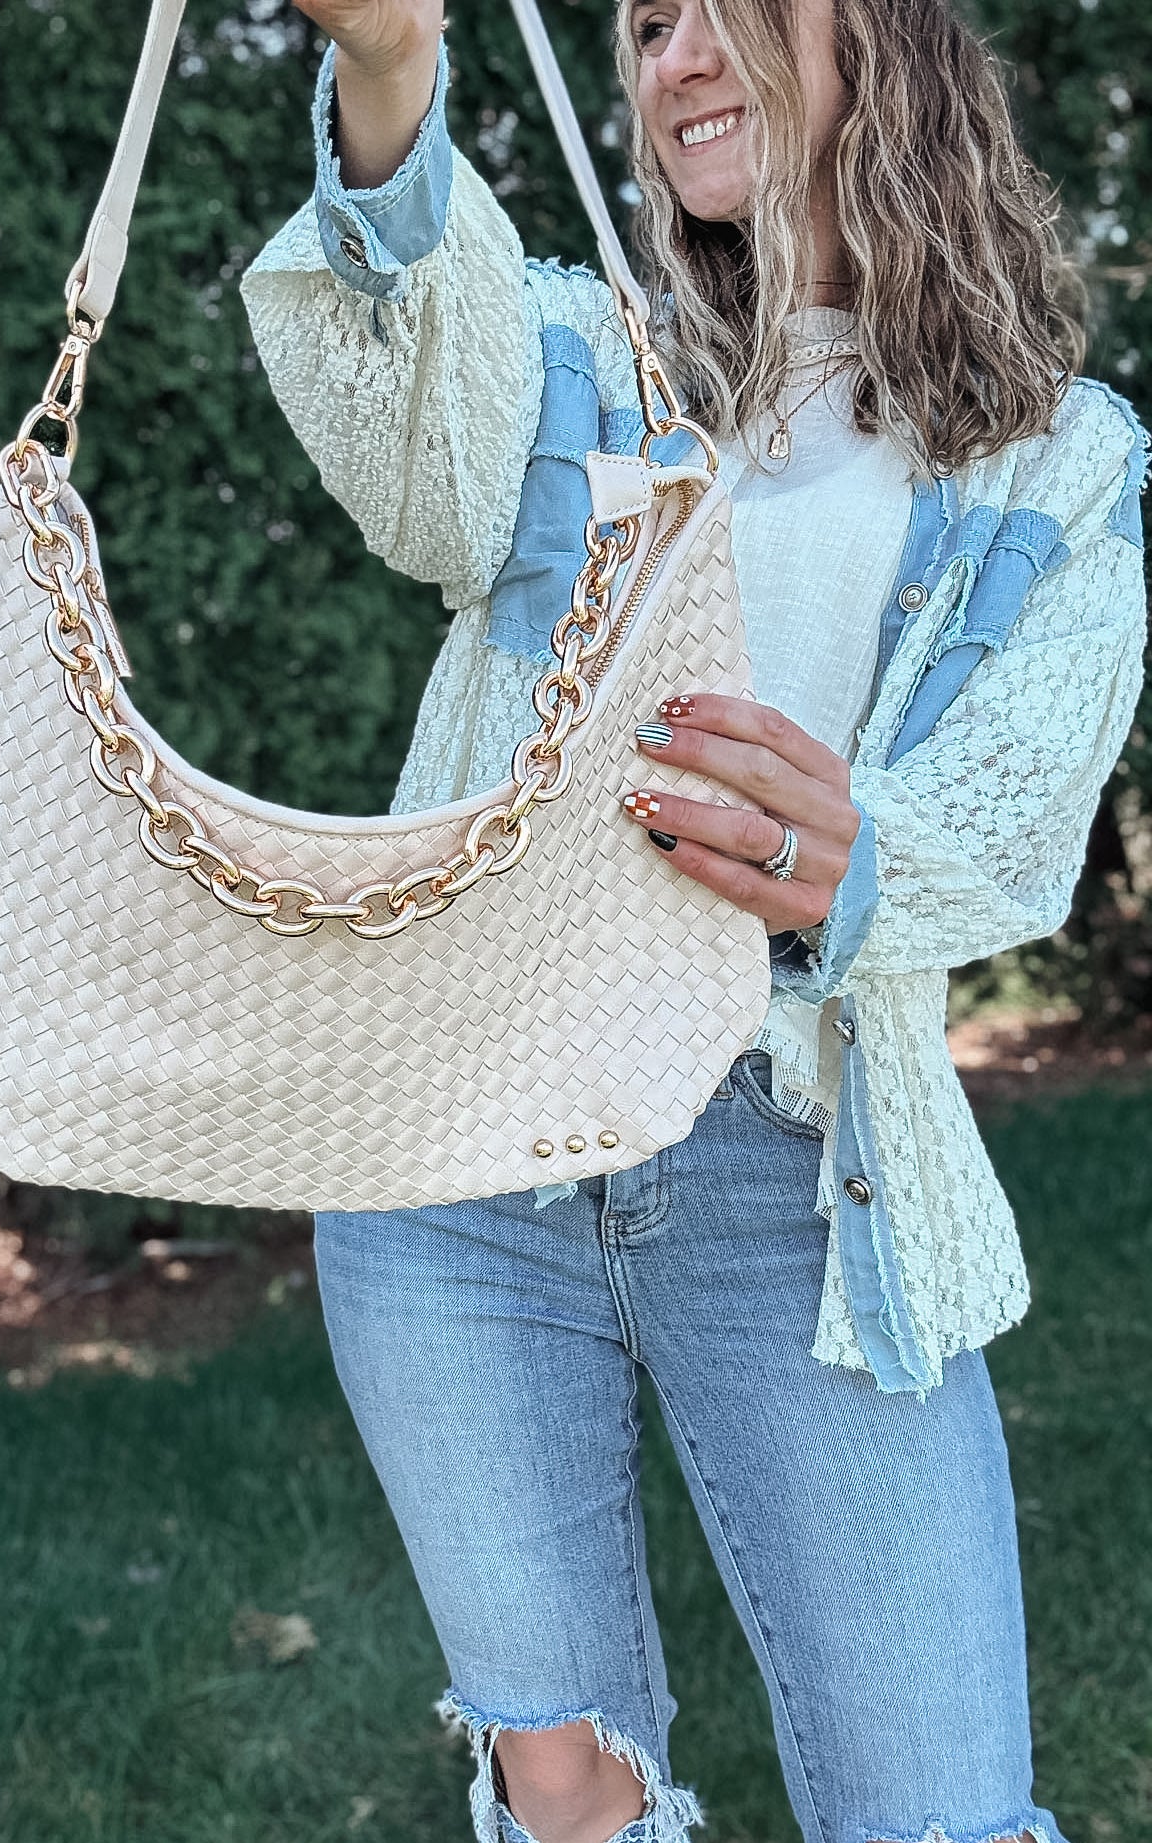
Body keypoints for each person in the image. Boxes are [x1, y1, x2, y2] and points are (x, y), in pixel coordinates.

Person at [237, 1, 1149, 1839]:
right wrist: (395, 77)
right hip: (460, 1163)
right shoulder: (581, 351)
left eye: (732, 11)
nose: (677, 59)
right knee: (563, 1797)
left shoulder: (1054, 458)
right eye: (648, 23)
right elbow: (413, 444)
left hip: (798, 1174)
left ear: (881, 44)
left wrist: (855, 854)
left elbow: (1016, 813)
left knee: (941, 1816)